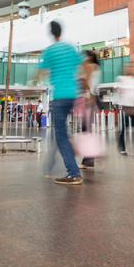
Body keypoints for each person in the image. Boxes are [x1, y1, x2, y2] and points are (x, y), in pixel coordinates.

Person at [38, 21, 83, 185]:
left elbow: (41, 71)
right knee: (66, 133)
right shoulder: (70, 48)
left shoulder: (50, 51)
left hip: (59, 97)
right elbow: (81, 68)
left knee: (61, 135)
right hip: (73, 94)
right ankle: (72, 164)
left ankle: (74, 172)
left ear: (51, 32)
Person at [78, 50, 101, 170]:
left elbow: (86, 84)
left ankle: (91, 157)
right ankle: (90, 159)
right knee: (87, 130)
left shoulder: (92, 67)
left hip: (88, 100)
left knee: (86, 130)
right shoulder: (95, 67)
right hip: (88, 100)